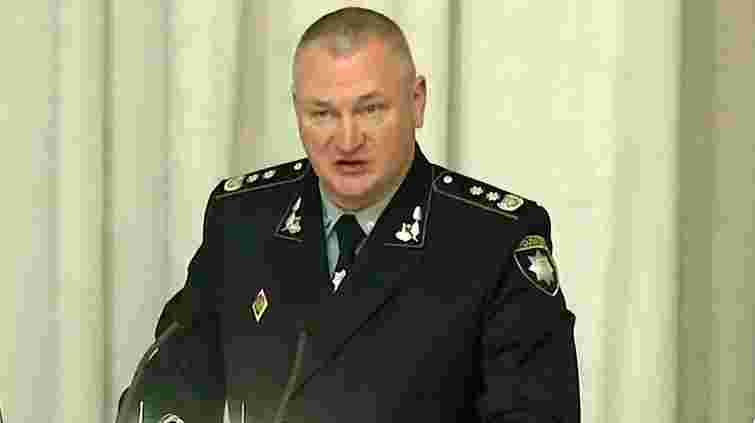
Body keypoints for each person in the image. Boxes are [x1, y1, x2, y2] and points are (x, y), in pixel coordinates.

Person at [119, 6, 580, 422]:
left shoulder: (492, 241)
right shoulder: (243, 219)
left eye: (371, 110)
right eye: (322, 113)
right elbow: (169, 384)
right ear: (296, 110)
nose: (346, 140)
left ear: (417, 102)